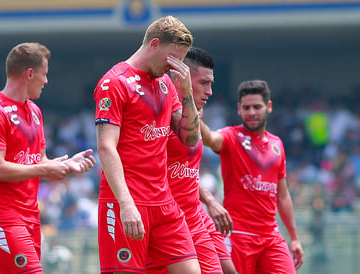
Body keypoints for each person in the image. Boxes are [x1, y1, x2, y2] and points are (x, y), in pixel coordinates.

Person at [0, 42, 96, 274]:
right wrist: (45, 170)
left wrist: (66, 165)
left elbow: (39, 162)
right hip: (2, 214)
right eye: (44, 74)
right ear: (29, 74)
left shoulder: (35, 112)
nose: (46, 81)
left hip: (30, 213)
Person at [94, 16, 201, 274]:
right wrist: (126, 204)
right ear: (154, 44)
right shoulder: (114, 82)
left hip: (164, 203)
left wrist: (186, 92)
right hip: (126, 202)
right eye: (172, 59)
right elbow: (106, 147)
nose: (174, 67)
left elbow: (190, 139)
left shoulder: (166, 83)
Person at [146, 47, 236, 274]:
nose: (210, 91)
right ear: (181, 79)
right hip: (169, 219)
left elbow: (188, 172)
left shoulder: (195, 114)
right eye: (204, 83)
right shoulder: (160, 113)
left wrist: (210, 200)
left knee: (230, 269)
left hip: (195, 214)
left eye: (211, 83)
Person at [201, 80, 304, 274]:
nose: (251, 112)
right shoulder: (231, 136)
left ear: (269, 107)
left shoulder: (277, 144)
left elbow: (282, 196)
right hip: (238, 234)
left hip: (270, 237)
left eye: (257, 107)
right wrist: (194, 115)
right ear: (239, 109)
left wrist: (295, 238)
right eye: (246, 108)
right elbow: (209, 138)